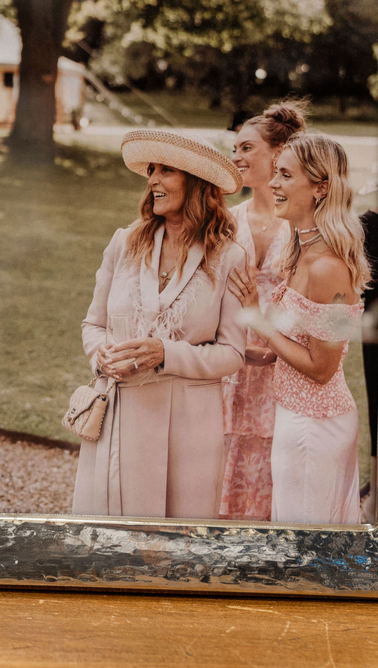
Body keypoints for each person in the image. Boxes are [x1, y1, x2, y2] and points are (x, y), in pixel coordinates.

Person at [72, 129, 248, 519]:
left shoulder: (229, 257)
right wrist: (99, 355)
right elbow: (93, 324)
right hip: (118, 413)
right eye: (152, 170)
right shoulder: (124, 242)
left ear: (196, 182)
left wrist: (165, 354)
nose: (152, 180)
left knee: (172, 549)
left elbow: (233, 354)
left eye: (166, 170)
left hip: (187, 424)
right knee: (110, 541)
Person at [229, 132, 369, 525]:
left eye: (285, 175)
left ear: (321, 186)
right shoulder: (301, 249)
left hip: (316, 427)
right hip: (295, 416)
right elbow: (300, 341)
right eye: (275, 173)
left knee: (308, 548)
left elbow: (322, 368)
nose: (272, 183)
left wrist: (256, 318)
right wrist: (250, 353)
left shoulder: (327, 267)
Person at [220, 102, 307, 521]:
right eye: (234, 148)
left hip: (284, 373)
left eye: (246, 148)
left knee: (276, 477)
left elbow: (324, 307)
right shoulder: (223, 222)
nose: (236, 157)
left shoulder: (304, 226)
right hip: (227, 370)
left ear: (279, 153)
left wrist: (277, 346)